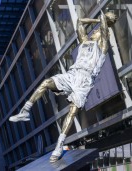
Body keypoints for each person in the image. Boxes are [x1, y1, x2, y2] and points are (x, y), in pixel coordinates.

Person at [9, 11, 117, 162]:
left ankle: (59, 145)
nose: (96, 30)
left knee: (72, 111)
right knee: (46, 83)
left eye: (98, 31)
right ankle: (25, 111)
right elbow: (79, 21)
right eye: (96, 29)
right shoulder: (85, 41)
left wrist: (104, 20)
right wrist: (96, 19)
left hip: (85, 80)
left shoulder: (103, 46)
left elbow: (105, 30)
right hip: (72, 74)